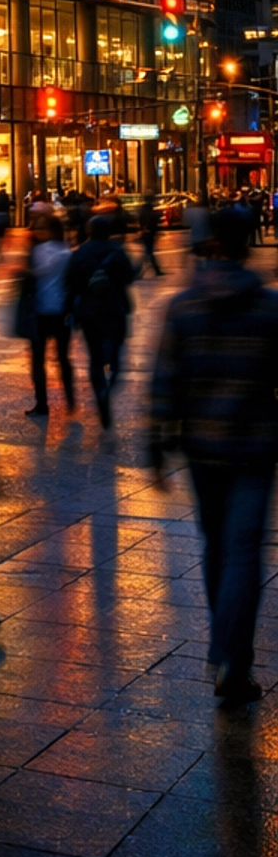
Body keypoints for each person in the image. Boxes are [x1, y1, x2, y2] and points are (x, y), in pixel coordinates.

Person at [150, 206, 278, 706]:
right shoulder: (268, 308)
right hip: (254, 446)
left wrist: (157, 444)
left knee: (215, 546)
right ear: (247, 245)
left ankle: (225, 650)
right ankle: (232, 659)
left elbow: (165, 380)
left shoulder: (184, 306)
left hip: (202, 446)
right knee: (244, 552)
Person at [66, 213, 136, 430]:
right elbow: (129, 277)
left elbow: (70, 282)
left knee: (94, 357)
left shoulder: (80, 253)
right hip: (115, 309)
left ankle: (100, 393)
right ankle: (110, 382)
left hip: (90, 312)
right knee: (116, 353)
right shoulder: (117, 250)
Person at [19, 209, 75, 419]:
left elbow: (38, 272)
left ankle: (44, 403)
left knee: (43, 359)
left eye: (43, 227)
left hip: (45, 311)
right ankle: (67, 398)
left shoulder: (40, 252)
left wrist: (23, 271)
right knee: (60, 358)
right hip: (57, 310)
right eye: (38, 227)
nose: (39, 231)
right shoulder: (66, 251)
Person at [139, 194, 164, 278]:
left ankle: (141, 271)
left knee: (148, 252)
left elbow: (141, 220)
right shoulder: (149, 210)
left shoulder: (143, 210)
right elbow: (152, 221)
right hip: (149, 233)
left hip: (147, 233)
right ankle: (155, 270)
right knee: (149, 252)